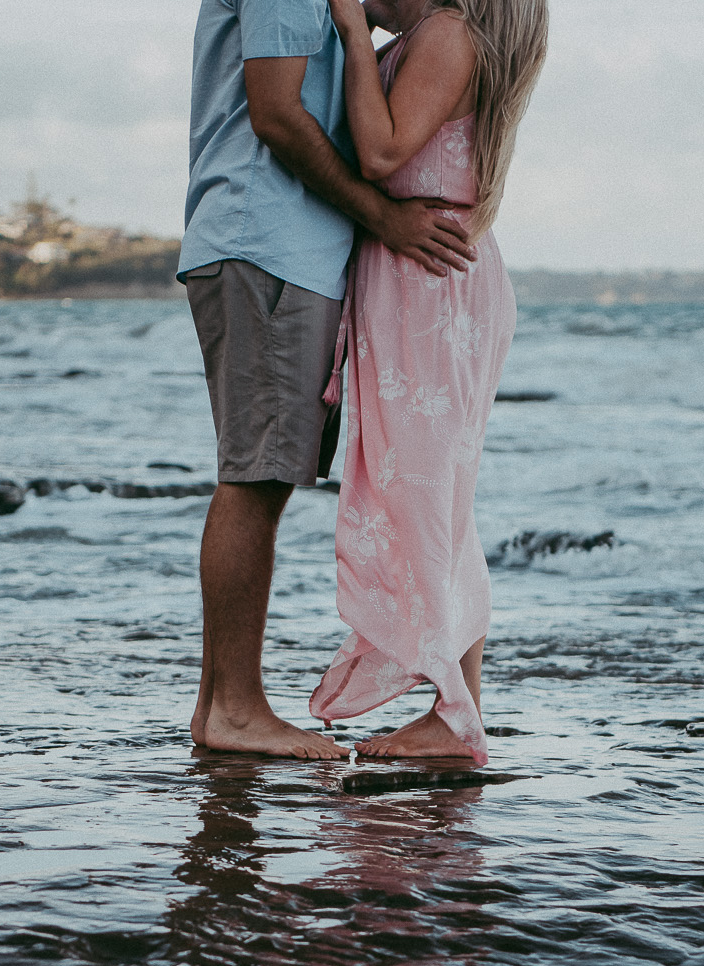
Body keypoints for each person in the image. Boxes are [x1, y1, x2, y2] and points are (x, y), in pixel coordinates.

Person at [181, 0, 478, 760]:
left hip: (285, 248)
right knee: (258, 474)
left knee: (263, 472)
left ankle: (226, 706)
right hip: (268, 240)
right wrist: (383, 216)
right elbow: (277, 114)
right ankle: (234, 711)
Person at [309, 0, 548, 765]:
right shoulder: (443, 36)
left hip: (430, 283)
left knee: (423, 495)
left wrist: (352, 32)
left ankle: (454, 715)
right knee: (438, 499)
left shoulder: (447, 34)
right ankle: (457, 711)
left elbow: (379, 155)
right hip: (427, 278)